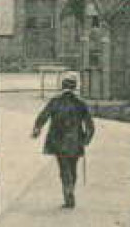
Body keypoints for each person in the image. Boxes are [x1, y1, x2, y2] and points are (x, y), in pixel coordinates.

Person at [30, 72, 95, 208]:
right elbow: (90, 125)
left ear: (62, 86)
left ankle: (67, 190)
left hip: (57, 141)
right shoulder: (81, 103)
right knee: (73, 167)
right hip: (75, 141)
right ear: (75, 87)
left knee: (63, 167)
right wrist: (87, 139)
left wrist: (37, 129)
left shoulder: (55, 101)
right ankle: (70, 189)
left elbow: (43, 115)